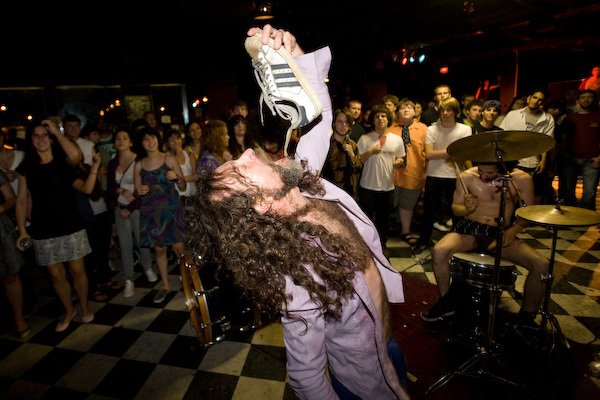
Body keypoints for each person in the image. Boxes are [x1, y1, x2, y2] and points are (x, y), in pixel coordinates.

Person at [186, 25, 410, 400]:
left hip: (386, 338)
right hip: (363, 373)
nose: (248, 153)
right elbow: (306, 378)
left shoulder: (302, 183)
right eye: (242, 168)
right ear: (260, 203)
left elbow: (319, 117)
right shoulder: (297, 275)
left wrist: (296, 57)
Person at [420, 162, 549, 331]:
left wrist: (513, 230)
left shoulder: (521, 179)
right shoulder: (467, 176)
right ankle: (446, 301)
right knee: (439, 251)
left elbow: (528, 213)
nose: (483, 176)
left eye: (489, 172)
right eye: (481, 171)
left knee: (541, 264)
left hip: (500, 232)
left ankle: (526, 317)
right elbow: (455, 208)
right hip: (470, 230)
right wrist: (466, 209)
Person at [15, 119, 95, 332]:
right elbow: (21, 200)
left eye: (45, 135)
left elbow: (76, 156)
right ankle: (69, 310)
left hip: (71, 222)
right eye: (36, 135)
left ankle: (84, 306)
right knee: (56, 275)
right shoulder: (26, 167)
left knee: (77, 270)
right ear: (31, 140)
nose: (41, 139)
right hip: (43, 226)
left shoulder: (63, 160)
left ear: (51, 138)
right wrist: (22, 229)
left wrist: (57, 133)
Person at [134, 127, 186, 304]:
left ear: (158, 138)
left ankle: (187, 281)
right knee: (159, 250)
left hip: (172, 209)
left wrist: (177, 178)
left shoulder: (169, 159)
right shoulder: (139, 165)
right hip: (152, 213)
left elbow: (183, 186)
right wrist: (139, 191)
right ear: (141, 143)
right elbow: (137, 191)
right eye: (146, 139)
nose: (150, 142)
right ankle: (165, 285)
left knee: (180, 249)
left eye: (153, 137)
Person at [414, 97, 472, 251]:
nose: (445, 113)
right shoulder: (432, 129)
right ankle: (423, 241)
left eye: (449, 110)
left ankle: (458, 242)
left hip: (456, 176)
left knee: (456, 212)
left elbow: (464, 154)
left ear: (455, 111)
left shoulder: (465, 129)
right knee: (429, 211)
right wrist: (452, 151)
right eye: (443, 110)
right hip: (434, 175)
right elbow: (429, 154)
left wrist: (444, 153)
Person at [106, 129, 157, 298]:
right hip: (120, 208)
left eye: (124, 138)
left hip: (137, 207)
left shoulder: (139, 161)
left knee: (142, 240)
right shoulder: (112, 163)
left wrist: (131, 206)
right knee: (125, 245)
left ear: (131, 142)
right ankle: (129, 279)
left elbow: (145, 187)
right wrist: (120, 191)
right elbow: (110, 188)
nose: (121, 141)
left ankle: (147, 267)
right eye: (118, 138)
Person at [357, 104, 406, 252]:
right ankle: (366, 246)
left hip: (387, 186)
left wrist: (398, 162)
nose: (380, 119)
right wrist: (371, 151)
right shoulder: (365, 138)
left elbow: (401, 157)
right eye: (377, 116)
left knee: (384, 220)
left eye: (383, 116)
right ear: (373, 120)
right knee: (366, 219)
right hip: (367, 186)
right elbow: (358, 161)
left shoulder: (397, 139)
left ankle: (382, 247)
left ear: (388, 119)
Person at [499, 89, 555, 204]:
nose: (536, 101)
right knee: (512, 194)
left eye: (540, 100)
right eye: (535, 98)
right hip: (514, 161)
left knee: (533, 194)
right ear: (529, 98)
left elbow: (546, 141)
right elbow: (503, 136)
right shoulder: (513, 114)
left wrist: (543, 160)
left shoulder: (548, 118)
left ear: (543, 102)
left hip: (534, 161)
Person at [389, 99, 428, 246]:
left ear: (415, 112)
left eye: (409, 107)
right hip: (392, 174)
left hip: (413, 172)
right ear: (397, 111)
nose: (406, 110)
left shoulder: (423, 129)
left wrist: (426, 172)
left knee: (408, 204)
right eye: (402, 108)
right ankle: (383, 230)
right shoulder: (389, 129)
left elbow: (427, 153)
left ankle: (405, 231)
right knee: (389, 203)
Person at [0, 169, 29, 338]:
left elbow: (11, 199)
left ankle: (19, 318)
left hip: (1, 230)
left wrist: (1, 208)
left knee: (10, 275)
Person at [560, 89, 600, 210]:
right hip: (570, 159)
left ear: (594, 99)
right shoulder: (570, 118)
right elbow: (562, 138)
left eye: (589, 97)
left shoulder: (598, 116)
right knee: (568, 191)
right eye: (583, 97)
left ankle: (585, 217)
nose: (586, 99)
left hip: (592, 159)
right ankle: (570, 216)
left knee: (589, 192)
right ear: (578, 100)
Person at [320, 109, 362, 198]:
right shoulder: (326, 144)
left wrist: (352, 155)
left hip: (349, 193)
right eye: (340, 122)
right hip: (329, 193)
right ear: (334, 123)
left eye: (347, 122)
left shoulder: (352, 145)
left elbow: (358, 169)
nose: (344, 125)